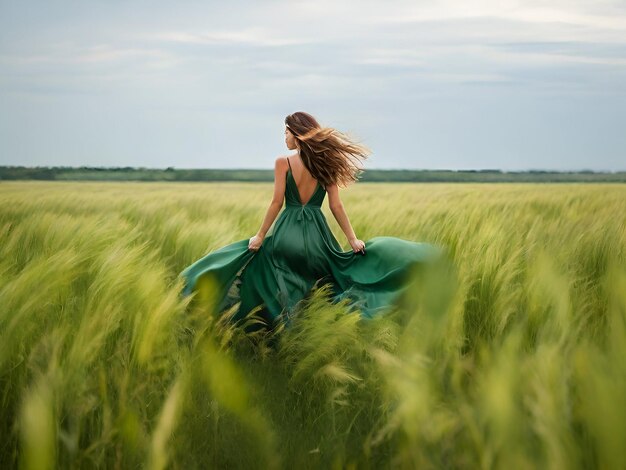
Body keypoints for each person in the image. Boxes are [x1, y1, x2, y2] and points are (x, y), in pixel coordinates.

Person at [179, 111, 443, 331]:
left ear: (296, 133)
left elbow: (276, 203)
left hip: (286, 234)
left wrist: (260, 236)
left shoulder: (283, 162)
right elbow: (336, 206)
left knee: (264, 276)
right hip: (317, 236)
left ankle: (275, 331)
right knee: (323, 285)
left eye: (285, 132)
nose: (284, 138)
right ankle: (316, 330)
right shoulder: (326, 164)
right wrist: (353, 240)